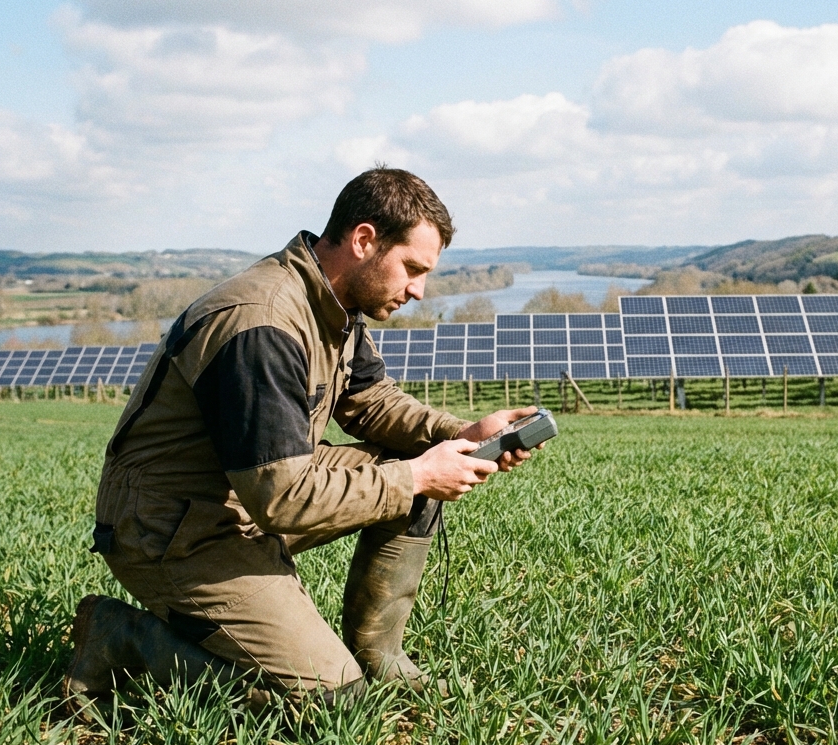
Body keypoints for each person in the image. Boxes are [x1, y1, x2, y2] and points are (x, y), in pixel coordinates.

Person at [63, 167, 539, 708]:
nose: (418, 290)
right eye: (411, 268)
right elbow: (282, 499)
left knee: (413, 470)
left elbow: (373, 401)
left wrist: (462, 434)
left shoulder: (332, 305)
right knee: (334, 703)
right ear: (364, 240)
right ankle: (124, 641)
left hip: (232, 503)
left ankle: (376, 657)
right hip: (171, 531)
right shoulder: (262, 323)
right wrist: (418, 474)